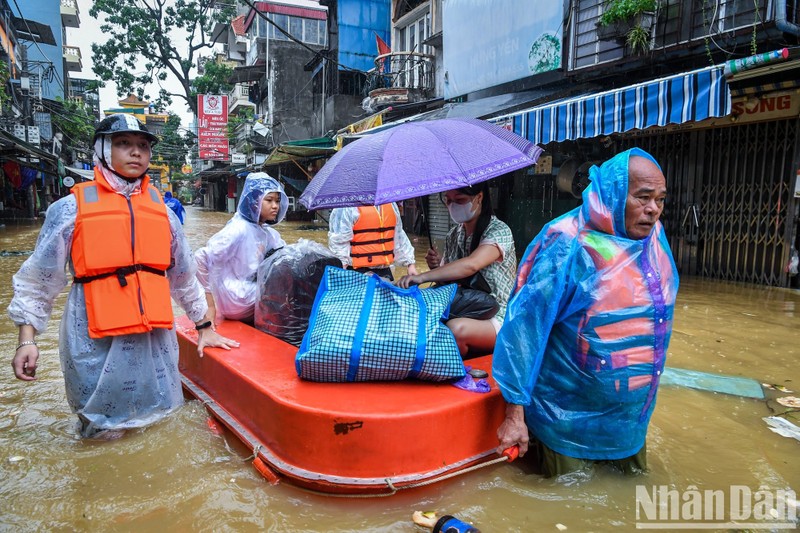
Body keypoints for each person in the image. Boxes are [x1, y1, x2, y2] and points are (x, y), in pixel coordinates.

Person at [8, 114, 238, 440]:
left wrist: (204, 327)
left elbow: (184, 277)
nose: (136, 153)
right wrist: (26, 341)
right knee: (99, 431)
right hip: (92, 337)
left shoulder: (165, 213)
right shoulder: (70, 209)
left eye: (143, 146)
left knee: (155, 427)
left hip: (153, 340)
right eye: (124, 144)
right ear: (102, 149)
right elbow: (38, 280)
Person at [493, 148, 679, 478]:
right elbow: (524, 329)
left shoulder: (654, 238)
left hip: (628, 425)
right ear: (615, 192)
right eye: (643, 197)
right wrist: (514, 413)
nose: (653, 209)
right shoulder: (567, 243)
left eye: (660, 199)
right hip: (565, 424)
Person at [395, 182, 516, 358]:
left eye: (460, 200)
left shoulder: (499, 231)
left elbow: (471, 265)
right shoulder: (453, 234)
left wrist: (423, 276)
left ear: (479, 197)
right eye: (448, 200)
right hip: (466, 307)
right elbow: (450, 284)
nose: (452, 205)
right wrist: (437, 268)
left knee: (455, 330)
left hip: (500, 314)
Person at [195, 172, 288, 322]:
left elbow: (287, 257)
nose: (275, 206)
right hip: (236, 298)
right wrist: (210, 305)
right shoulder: (238, 229)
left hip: (252, 293)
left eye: (277, 201)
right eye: (269, 200)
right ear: (254, 202)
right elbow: (200, 258)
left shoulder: (269, 234)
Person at [328, 203, 417, 281]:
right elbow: (339, 240)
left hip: (384, 271)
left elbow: (398, 235)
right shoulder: (348, 206)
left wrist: (410, 264)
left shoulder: (390, 204)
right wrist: (340, 271)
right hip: (356, 272)